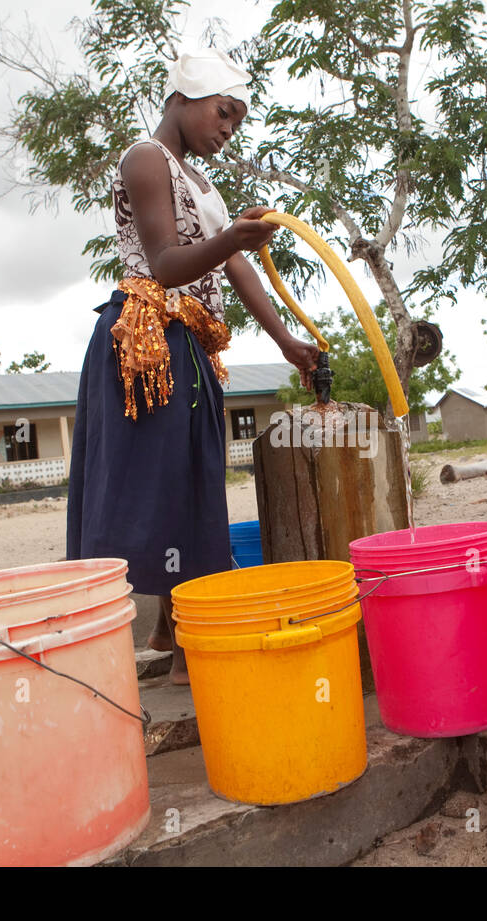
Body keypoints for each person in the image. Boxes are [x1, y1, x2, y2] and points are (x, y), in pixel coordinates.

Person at [66, 48, 319, 685]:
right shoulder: (145, 158)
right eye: (224, 112)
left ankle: (168, 627)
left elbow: (234, 268)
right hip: (147, 340)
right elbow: (167, 263)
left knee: (192, 480)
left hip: (187, 344)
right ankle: (181, 644)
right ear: (184, 95)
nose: (228, 128)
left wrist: (286, 341)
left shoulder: (203, 183)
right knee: (154, 484)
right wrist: (231, 238)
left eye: (237, 119)